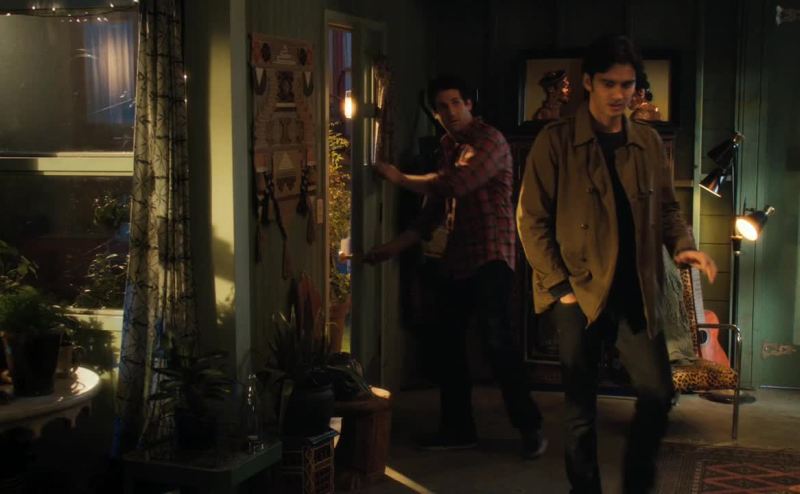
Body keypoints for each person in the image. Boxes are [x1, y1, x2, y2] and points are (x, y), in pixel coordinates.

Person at [516, 35, 717, 493]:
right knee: (580, 408)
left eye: (627, 85)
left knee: (658, 392)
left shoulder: (646, 141)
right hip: (579, 288)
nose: (619, 94)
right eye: (609, 83)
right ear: (588, 82)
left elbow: (667, 208)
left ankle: (636, 485)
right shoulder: (556, 141)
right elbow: (531, 219)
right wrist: (560, 287)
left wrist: (682, 245)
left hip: (634, 288)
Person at [364, 76, 547, 458]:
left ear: (469, 105)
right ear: (435, 113)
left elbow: (455, 185)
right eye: (441, 107)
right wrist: (391, 249)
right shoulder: (449, 147)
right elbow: (432, 213)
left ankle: (530, 427)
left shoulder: (490, 140)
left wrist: (398, 177)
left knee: (498, 342)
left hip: (492, 256)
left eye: (455, 103)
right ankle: (458, 428)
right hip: (458, 260)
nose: (449, 112)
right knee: (447, 343)